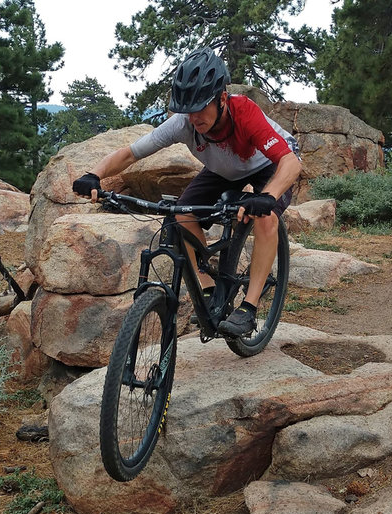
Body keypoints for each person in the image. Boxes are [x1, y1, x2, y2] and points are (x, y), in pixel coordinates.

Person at [72, 47, 302, 337]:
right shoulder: (183, 123)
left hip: (269, 164)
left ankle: (249, 308)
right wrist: (94, 174)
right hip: (223, 169)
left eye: (200, 107)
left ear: (221, 98)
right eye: (187, 110)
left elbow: (290, 163)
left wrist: (267, 196)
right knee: (182, 214)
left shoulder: (243, 112)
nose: (193, 118)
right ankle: (208, 289)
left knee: (265, 215)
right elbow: (130, 154)